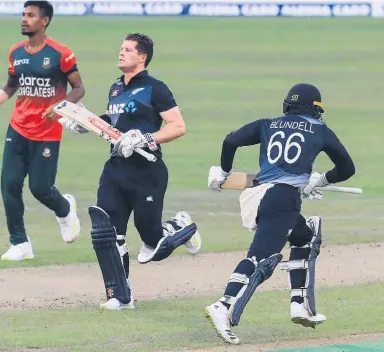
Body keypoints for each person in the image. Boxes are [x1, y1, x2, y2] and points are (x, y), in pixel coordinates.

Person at [204, 83, 355, 344]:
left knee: (304, 237)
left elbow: (231, 140)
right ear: (313, 108)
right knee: (260, 259)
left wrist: (225, 172)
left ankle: (299, 303)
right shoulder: (320, 130)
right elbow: (346, 168)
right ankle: (223, 305)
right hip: (283, 200)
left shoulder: (268, 124)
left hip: (261, 195)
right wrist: (320, 180)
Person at [62, 33, 202, 310]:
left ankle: (180, 226)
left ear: (143, 57)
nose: (121, 53)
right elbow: (113, 122)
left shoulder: (155, 88)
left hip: (147, 171)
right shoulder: (116, 88)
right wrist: (84, 123)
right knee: (108, 233)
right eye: (121, 48)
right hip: (115, 170)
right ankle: (120, 295)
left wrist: (145, 138)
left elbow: (177, 126)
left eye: (128, 49)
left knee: (153, 244)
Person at [0, 1, 85, 261]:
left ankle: (65, 209)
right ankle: (20, 243)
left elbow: (79, 89)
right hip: (17, 128)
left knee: (40, 188)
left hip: (47, 133)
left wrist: (59, 106)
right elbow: (11, 84)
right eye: (23, 14)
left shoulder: (61, 53)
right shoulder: (16, 52)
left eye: (30, 15)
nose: (24, 19)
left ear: (45, 20)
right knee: (10, 185)